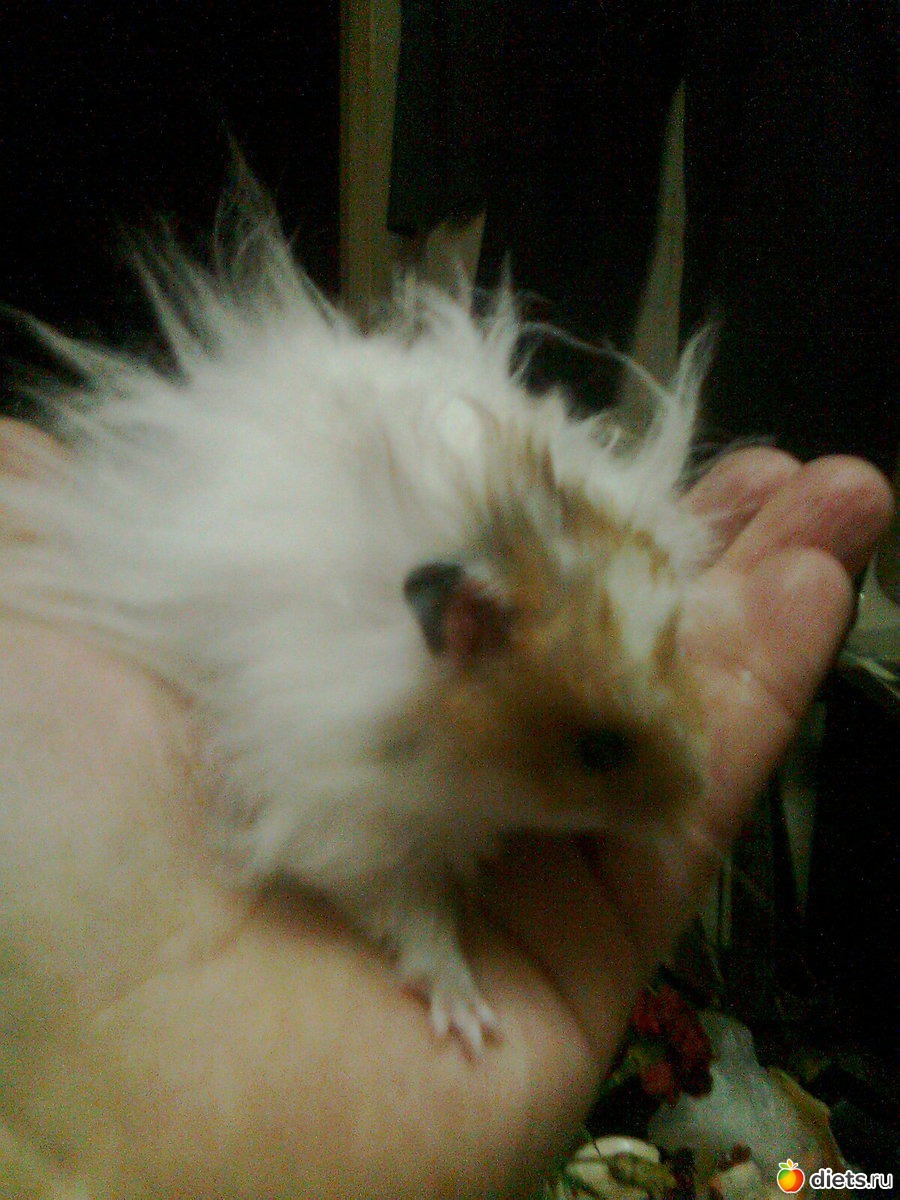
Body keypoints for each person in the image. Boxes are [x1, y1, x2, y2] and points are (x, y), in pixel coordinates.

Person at [0, 417, 891, 1198]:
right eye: (597, 750)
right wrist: (427, 939)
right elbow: (345, 828)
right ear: (460, 631)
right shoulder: (354, 713)